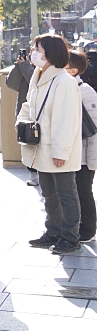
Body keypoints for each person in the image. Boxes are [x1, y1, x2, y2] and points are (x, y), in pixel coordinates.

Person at [19, 34, 83, 255]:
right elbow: (29, 105)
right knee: (49, 193)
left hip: (57, 148)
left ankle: (70, 237)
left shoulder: (64, 81)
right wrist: (20, 122)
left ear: (50, 53)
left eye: (38, 48)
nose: (33, 52)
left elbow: (67, 120)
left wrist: (61, 151)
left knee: (66, 193)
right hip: (41, 146)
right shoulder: (39, 76)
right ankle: (53, 232)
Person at [65, 50, 96, 242]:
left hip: (85, 152)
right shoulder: (71, 88)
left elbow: (93, 128)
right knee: (78, 189)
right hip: (76, 152)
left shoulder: (85, 91)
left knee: (83, 190)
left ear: (74, 70)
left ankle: (89, 230)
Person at [7, 49, 40, 186]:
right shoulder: (25, 67)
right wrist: (18, 66)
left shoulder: (43, 70)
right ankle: (33, 173)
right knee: (28, 142)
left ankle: (42, 173)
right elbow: (11, 83)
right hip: (25, 112)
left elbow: (36, 82)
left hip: (39, 111)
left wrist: (25, 66)